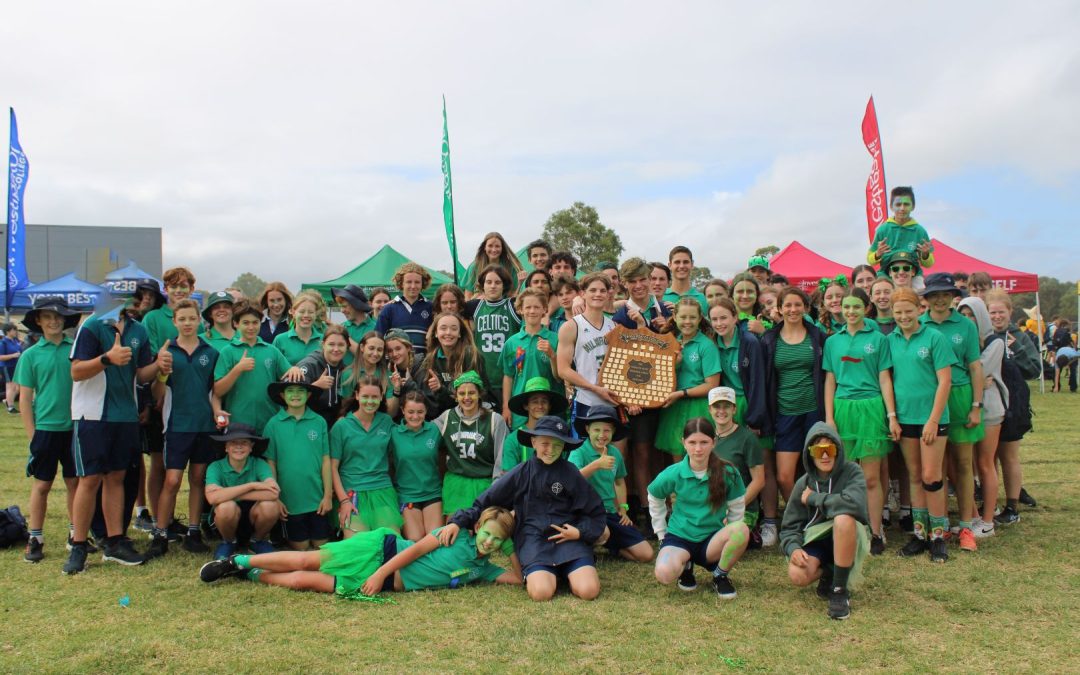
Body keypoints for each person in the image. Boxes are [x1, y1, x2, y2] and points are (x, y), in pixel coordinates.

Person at [442, 415, 606, 602]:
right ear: (533, 442)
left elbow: (595, 511)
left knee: (589, 591)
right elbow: (484, 503)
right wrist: (458, 522)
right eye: (545, 444)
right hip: (533, 540)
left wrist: (579, 532)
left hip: (568, 540)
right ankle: (548, 574)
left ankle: (569, 570)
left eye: (557, 445)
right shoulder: (520, 473)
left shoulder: (571, 473)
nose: (551, 450)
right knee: (541, 593)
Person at [200, 506, 520, 596]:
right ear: (478, 527)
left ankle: (253, 575)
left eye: (498, 540)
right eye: (488, 534)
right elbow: (416, 550)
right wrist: (381, 572)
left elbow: (518, 579)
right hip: (382, 552)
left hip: (386, 584)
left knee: (304, 581)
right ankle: (237, 560)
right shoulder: (456, 534)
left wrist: (513, 541)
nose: (490, 543)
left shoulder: (485, 569)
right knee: (308, 560)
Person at [65, 298, 169, 573]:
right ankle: (78, 544)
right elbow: (76, 371)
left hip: (125, 415)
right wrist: (105, 359)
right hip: (93, 414)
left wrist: (159, 365)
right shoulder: (93, 324)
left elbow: (140, 373)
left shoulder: (138, 329)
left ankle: (114, 542)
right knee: (89, 479)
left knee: (117, 477)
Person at [822, 287, 897, 555]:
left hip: (871, 408)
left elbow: (885, 378)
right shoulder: (832, 341)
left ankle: (875, 531)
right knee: (844, 476)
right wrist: (830, 418)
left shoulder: (878, 339)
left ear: (866, 308)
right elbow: (830, 380)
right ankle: (849, 530)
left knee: (871, 477)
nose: (850, 311)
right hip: (843, 409)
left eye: (856, 306)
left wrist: (891, 416)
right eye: (846, 306)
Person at [146, 299, 219, 559]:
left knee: (198, 479)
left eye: (192, 318)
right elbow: (156, 395)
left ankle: (193, 531)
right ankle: (161, 533)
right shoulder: (168, 352)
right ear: (174, 322)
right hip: (177, 426)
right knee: (172, 480)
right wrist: (161, 372)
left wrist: (218, 414)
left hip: (204, 426)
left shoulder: (211, 352)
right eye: (182, 319)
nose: (187, 323)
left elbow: (215, 392)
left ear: (200, 320)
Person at [888, 288, 956, 563]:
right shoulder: (889, 340)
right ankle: (919, 534)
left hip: (932, 418)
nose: (903, 316)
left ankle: (938, 536)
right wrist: (893, 416)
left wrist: (933, 419)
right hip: (906, 418)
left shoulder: (934, 337)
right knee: (914, 476)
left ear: (919, 309)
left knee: (932, 476)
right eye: (898, 312)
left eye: (908, 310)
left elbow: (945, 381)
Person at [648, 417, 749, 599]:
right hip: (680, 537)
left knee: (741, 529)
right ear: (683, 443)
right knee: (663, 574)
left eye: (704, 442)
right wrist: (661, 534)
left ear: (714, 442)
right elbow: (654, 495)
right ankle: (685, 566)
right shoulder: (674, 472)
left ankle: (720, 575)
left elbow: (737, 507)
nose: (698, 448)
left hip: (711, 541)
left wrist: (730, 539)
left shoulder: (729, 472)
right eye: (692, 442)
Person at [919, 273, 984, 552]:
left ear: (952, 296)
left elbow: (975, 366)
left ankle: (967, 525)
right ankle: (941, 525)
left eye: (945, 293)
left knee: (964, 464)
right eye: (934, 294)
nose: (940, 298)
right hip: (930, 399)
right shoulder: (919, 323)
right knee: (937, 467)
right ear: (927, 298)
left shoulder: (965, 325)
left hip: (959, 395)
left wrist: (976, 405)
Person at [16, 298, 83, 563]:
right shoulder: (31, 355)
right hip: (45, 428)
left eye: (58, 317)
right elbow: (24, 399)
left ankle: (75, 533)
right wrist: (33, 436)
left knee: (74, 483)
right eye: (48, 317)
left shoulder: (75, 350)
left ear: (65, 321)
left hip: (74, 427)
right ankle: (35, 537)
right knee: (42, 485)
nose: (54, 321)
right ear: (38, 322)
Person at [780, 423, 870, 621]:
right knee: (797, 575)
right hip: (816, 540)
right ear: (809, 454)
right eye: (817, 450)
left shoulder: (852, 471)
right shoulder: (803, 483)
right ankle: (830, 572)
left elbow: (855, 505)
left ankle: (839, 591)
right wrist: (793, 548)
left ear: (838, 449)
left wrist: (814, 498)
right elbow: (789, 527)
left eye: (830, 449)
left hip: (848, 534)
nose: (825, 456)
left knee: (843, 518)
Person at [761, 287, 826, 535]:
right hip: (785, 414)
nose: (792, 310)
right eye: (787, 305)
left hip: (814, 413)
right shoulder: (769, 339)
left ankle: (819, 520)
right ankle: (798, 519)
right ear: (779, 308)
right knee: (785, 477)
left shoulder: (818, 337)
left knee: (819, 471)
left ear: (806, 308)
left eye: (798, 305)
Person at [569, 405, 653, 563]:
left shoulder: (615, 453)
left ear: (613, 431)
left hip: (610, 512)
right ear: (587, 429)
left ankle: (613, 546)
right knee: (603, 532)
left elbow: (619, 482)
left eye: (607, 430)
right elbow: (572, 479)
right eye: (596, 430)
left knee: (646, 555)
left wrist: (623, 508)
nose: (602, 435)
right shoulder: (578, 452)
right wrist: (596, 464)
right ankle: (584, 546)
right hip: (586, 512)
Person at [986, 290, 1040, 523]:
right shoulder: (983, 336)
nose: (997, 316)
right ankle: (991, 505)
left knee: (1009, 455)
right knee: (988, 459)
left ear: (1010, 312)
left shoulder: (1020, 337)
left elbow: (1035, 369)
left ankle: (1012, 507)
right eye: (992, 312)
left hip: (1013, 404)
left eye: (1001, 312)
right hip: (991, 403)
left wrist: (1015, 350)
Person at [263, 381, 332, 551]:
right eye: (290, 391)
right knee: (301, 547)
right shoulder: (273, 424)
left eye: (301, 391)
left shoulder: (319, 421)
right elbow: (270, 463)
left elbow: (326, 460)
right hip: (290, 503)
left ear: (308, 395)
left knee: (321, 546)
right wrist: (276, 498)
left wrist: (328, 496)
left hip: (317, 500)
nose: (295, 395)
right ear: (282, 395)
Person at [957, 296, 1006, 538]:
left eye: (971, 315)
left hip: (990, 410)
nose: (967, 320)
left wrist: (971, 376)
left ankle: (988, 520)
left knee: (985, 464)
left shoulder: (995, 343)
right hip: (965, 408)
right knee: (967, 465)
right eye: (962, 315)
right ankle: (973, 517)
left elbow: (980, 371)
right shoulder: (962, 341)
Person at [330, 376, 402, 538]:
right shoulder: (341, 426)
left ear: (381, 397)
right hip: (351, 492)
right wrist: (343, 501)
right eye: (365, 396)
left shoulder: (386, 422)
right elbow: (332, 467)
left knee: (390, 541)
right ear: (356, 396)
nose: (370, 401)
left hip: (382, 489)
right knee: (359, 545)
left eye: (375, 397)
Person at [434, 371, 509, 516]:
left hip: (484, 482)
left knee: (481, 530)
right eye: (462, 393)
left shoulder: (495, 420)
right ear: (455, 396)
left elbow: (501, 458)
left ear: (480, 394)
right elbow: (425, 432)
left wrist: (495, 489)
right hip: (456, 483)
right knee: (455, 531)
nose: (467, 397)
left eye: (472, 393)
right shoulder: (447, 417)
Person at [203, 424, 281, 559]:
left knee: (271, 505)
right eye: (233, 442)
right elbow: (212, 499)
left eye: (244, 442)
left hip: (254, 517)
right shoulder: (215, 466)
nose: (239, 446)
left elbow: (273, 492)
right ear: (226, 447)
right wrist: (252, 485)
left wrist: (226, 493)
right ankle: (229, 542)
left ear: (251, 447)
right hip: (226, 520)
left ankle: (257, 541)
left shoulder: (259, 464)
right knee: (226, 506)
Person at [656, 298, 721, 458]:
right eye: (683, 317)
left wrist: (681, 393)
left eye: (692, 317)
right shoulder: (669, 342)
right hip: (674, 407)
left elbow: (712, 385)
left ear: (700, 319)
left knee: (699, 458)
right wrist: (675, 365)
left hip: (697, 408)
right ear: (675, 317)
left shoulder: (706, 346)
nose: (687, 322)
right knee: (678, 461)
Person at [213, 301, 292, 432]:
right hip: (238, 422)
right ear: (236, 324)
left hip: (269, 421)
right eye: (245, 323)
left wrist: (294, 369)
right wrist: (237, 369)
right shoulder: (228, 351)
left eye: (255, 322)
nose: (251, 327)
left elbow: (289, 376)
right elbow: (218, 391)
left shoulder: (271, 350)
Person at [501, 288, 560, 428]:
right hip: (520, 409)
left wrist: (552, 356)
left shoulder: (555, 339)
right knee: (522, 445)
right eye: (528, 307)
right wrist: (506, 407)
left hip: (548, 407)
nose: (532, 311)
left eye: (536, 307)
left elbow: (560, 377)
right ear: (520, 310)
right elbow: (508, 376)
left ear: (544, 309)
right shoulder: (511, 343)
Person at [464, 264, 522, 406]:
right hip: (484, 376)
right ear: (482, 285)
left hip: (509, 376)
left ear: (504, 285)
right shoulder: (474, 306)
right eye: (488, 282)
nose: (493, 286)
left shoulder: (513, 305)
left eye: (497, 282)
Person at [707, 387, 764, 532]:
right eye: (717, 406)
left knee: (721, 536)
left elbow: (759, 481)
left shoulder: (747, 438)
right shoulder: (705, 438)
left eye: (726, 406)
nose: (721, 411)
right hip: (711, 506)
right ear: (710, 409)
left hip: (742, 508)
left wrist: (733, 508)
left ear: (734, 409)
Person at [389, 392, 443, 541]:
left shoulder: (434, 430)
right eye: (410, 412)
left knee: (434, 538)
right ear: (403, 411)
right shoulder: (394, 433)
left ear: (426, 411)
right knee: (415, 538)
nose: (415, 416)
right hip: (407, 494)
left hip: (432, 492)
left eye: (420, 412)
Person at [285, 324, 354, 429]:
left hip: (335, 423)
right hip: (306, 422)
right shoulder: (309, 365)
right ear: (323, 345)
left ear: (347, 347)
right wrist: (316, 386)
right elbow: (290, 398)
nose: (336, 349)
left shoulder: (345, 370)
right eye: (331, 344)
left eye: (341, 345)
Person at [417, 313, 484, 418]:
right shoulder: (430, 359)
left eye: (454, 329)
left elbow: (472, 395)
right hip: (442, 415)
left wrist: (440, 389)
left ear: (459, 333)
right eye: (443, 328)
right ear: (435, 333)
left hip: (470, 413)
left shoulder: (470, 355)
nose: (448, 333)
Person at [867, 186, 934, 287]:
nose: (902, 208)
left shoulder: (920, 231)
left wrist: (925, 255)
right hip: (886, 275)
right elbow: (870, 259)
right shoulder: (883, 229)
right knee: (880, 294)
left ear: (913, 206)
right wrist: (878, 253)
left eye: (906, 204)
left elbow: (929, 264)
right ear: (891, 206)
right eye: (898, 204)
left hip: (913, 275)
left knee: (919, 296)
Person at [501, 377, 567, 471]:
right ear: (526, 406)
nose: (540, 406)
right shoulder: (513, 439)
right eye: (534, 402)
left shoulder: (559, 437)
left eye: (544, 401)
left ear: (550, 406)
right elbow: (507, 476)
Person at [375, 262, 435, 357]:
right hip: (395, 364)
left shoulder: (431, 307)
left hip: (423, 365)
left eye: (417, 282)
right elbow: (379, 339)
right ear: (401, 283)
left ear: (422, 283)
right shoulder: (389, 309)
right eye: (409, 282)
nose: (413, 286)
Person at [142, 266, 202, 352]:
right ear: (166, 289)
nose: (178, 290)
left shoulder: (198, 323)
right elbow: (149, 356)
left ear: (191, 289)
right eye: (173, 287)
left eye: (183, 286)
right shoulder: (151, 318)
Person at [462, 232, 524, 299]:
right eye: (490, 246)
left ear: (502, 248)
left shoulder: (510, 266)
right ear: (484, 247)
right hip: (479, 305)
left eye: (497, 246)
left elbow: (513, 294)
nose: (494, 250)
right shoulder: (474, 266)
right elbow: (468, 296)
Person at [272, 290, 324, 366]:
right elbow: (273, 369)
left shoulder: (324, 340)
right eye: (302, 311)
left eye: (311, 312)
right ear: (293, 312)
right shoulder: (280, 340)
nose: (306, 315)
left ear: (316, 314)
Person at [332, 284, 375, 362]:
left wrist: (344, 335)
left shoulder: (375, 328)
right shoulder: (342, 327)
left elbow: (368, 358)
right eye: (341, 307)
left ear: (357, 305)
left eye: (345, 306)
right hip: (342, 374)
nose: (342, 310)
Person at [662, 246, 708, 316]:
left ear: (692, 264)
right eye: (677, 262)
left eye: (685, 262)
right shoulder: (660, 296)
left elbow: (707, 326)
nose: (681, 266)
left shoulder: (703, 299)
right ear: (670, 265)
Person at [0, 323, 23, 412]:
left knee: (18, 387)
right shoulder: (3, 342)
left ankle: (8, 400)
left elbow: (20, 351)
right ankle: (10, 407)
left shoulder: (15, 341)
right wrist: (13, 355)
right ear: (8, 331)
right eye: (13, 330)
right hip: (6, 366)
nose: (15, 332)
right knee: (10, 386)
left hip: (15, 366)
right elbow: (1, 357)